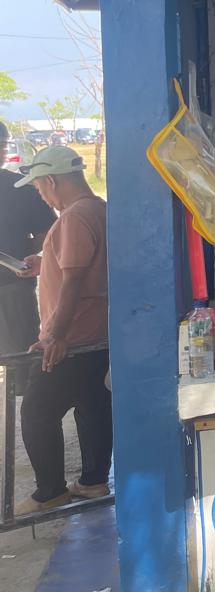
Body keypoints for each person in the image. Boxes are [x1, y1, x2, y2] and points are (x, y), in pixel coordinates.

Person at [13, 146, 111, 516]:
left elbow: (73, 281)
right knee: (92, 406)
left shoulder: (74, 217)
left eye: (39, 187)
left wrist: (55, 334)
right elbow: (83, 265)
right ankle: (93, 480)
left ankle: (50, 491)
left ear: (51, 180)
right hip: (96, 334)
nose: (41, 195)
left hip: (72, 337)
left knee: (37, 412)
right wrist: (45, 262)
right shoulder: (99, 209)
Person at [0, 122, 55, 373]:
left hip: (11, 288)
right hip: (12, 286)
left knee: (20, 362)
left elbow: (48, 233)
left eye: (3, 146)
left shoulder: (20, 187)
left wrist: (17, 255)